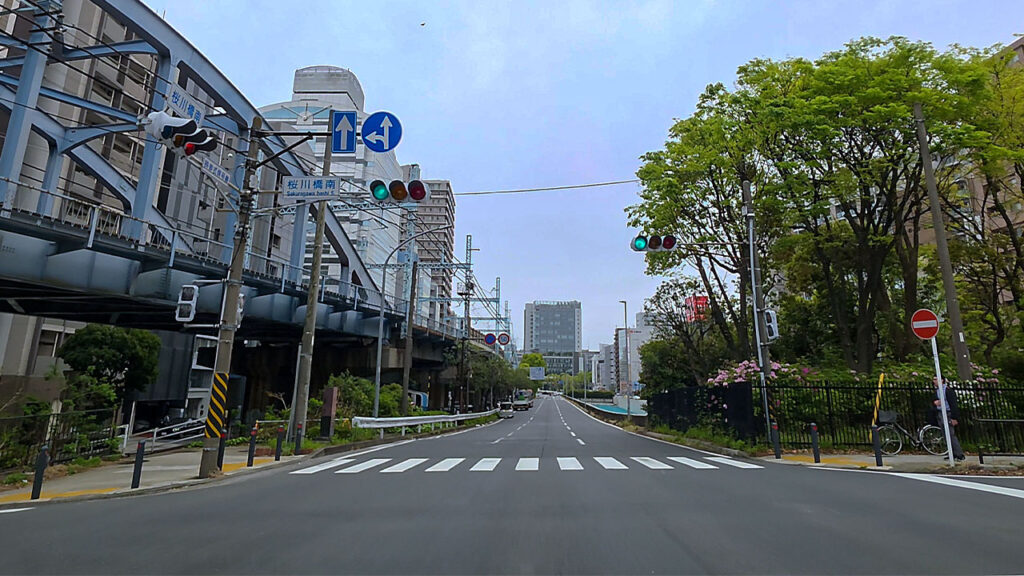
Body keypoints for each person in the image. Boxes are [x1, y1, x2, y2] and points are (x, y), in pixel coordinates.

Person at [929, 377, 965, 461]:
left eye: (936, 379)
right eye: (933, 379)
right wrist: (935, 403)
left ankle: (959, 454)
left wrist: (954, 417)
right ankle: (952, 453)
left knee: (950, 434)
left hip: (947, 413)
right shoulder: (937, 390)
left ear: (942, 380)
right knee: (945, 434)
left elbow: (953, 404)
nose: (934, 381)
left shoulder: (948, 390)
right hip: (940, 413)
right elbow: (934, 401)